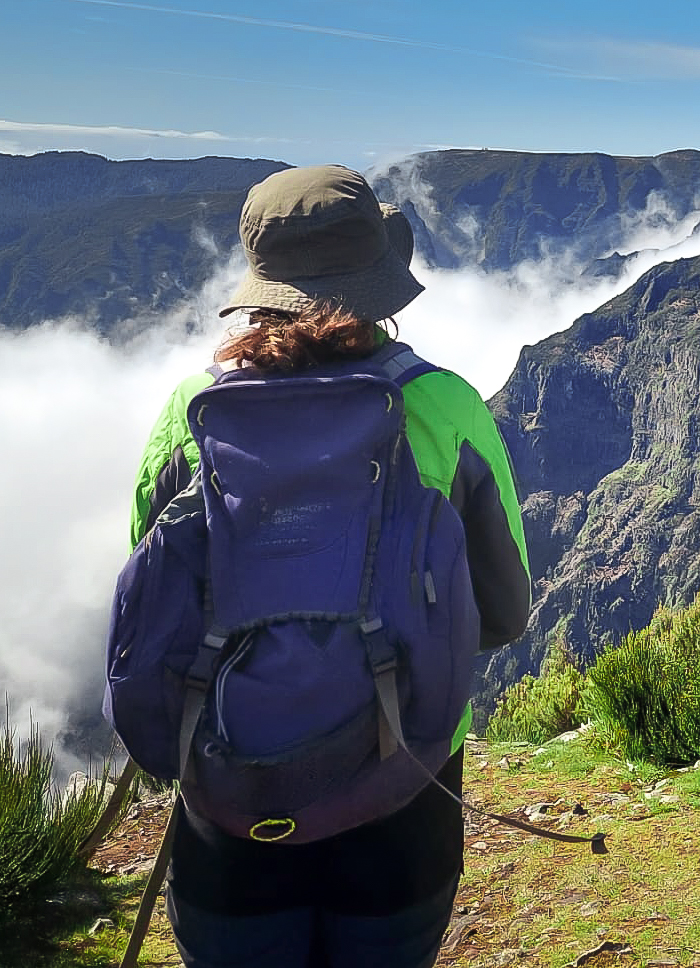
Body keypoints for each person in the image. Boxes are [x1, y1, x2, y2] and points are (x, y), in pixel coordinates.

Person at [127, 164, 531, 968]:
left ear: (261, 281)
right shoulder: (445, 406)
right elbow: (502, 612)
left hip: (227, 793)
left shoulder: (190, 413)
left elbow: (152, 598)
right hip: (402, 786)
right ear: (379, 281)